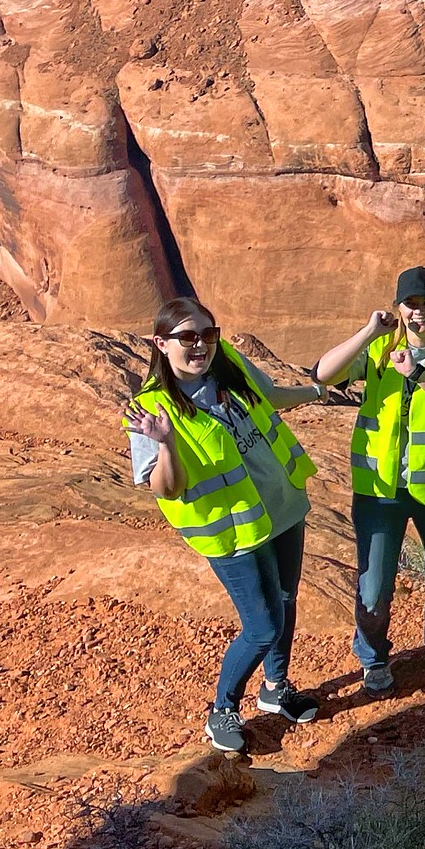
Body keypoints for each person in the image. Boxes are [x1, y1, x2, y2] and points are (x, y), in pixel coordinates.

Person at [126, 299, 324, 753]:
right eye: (188, 337)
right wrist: (167, 443)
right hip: (231, 531)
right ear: (161, 343)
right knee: (261, 626)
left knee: (286, 599)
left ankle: (275, 689)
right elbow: (166, 489)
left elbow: (268, 397)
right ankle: (222, 710)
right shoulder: (150, 410)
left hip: (283, 505)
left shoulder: (227, 361)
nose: (201, 345)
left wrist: (317, 391)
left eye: (208, 334)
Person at [312, 266, 425, 694]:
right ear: (399, 308)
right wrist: (369, 333)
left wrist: (418, 375)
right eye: (410, 304)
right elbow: (323, 374)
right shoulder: (378, 350)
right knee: (374, 585)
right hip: (379, 489)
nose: (418, 312)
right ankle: (372, 656)